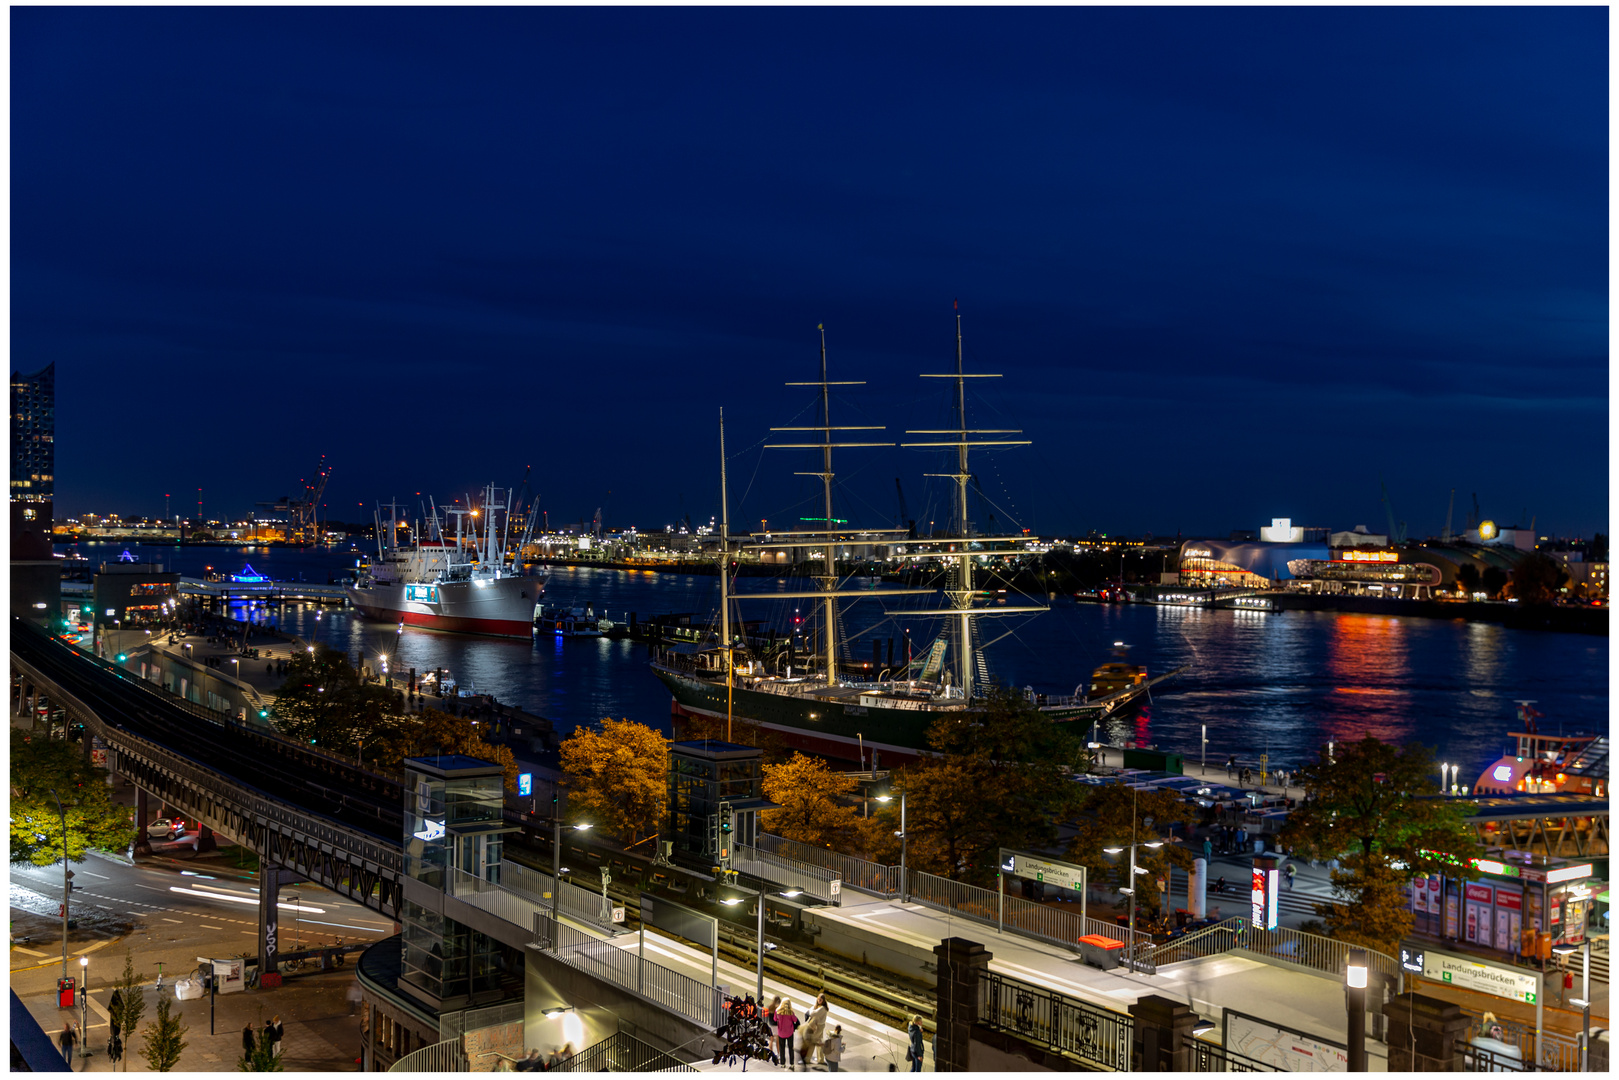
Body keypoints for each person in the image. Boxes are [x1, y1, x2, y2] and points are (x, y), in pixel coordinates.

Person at [803, 993, 830, 1066]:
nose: (819, 1001)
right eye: (818, 999)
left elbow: (812, 1013)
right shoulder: (821, 1007)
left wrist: (811, 1009)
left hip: (818, 1026)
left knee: (812, 1042)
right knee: (819, 1041)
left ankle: (807, 1058)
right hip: (819, 1026)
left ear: (823, 1000)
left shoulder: (822, 1009)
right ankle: (820, 1059)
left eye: (820, 1000)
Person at [775, 1000, 799, 1069]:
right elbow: (795, 1020)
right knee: (791, 1048)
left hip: (781, 1033)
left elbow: (775, 1019)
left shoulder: (777, 1012)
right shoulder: (790, 1012)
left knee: (782, 1048)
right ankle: (791, 1063)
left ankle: (782, 1063)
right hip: (789, 1032)